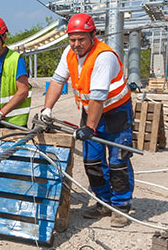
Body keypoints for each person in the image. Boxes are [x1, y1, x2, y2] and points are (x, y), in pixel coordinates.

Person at [41, 13, 133, 228]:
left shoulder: (104, 57)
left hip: (115, 113)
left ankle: (121, 206)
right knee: (92, 161)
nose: (76, 44)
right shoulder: (69, 53)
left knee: (118, 161)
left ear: (93, 35)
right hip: (90, 110)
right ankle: (103, 202)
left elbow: (99, 97)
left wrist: (90, 127)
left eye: (81, 39)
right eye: (72, 39)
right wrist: (47, 109)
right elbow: (57, 81)